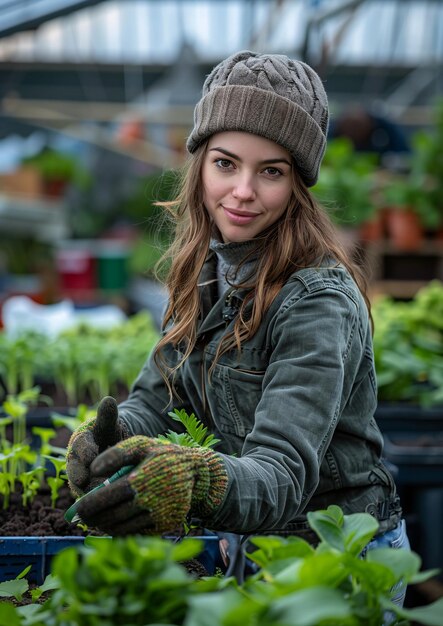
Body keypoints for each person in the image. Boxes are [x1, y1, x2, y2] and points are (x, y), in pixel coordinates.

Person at [66, 50, 410, 604]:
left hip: (337, 564)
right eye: (226, 163)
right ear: (200, 163)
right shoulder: (206, 268)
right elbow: (161, 398)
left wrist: (194, 478)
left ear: (297, 182)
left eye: (270, 171)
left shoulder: (318, 301)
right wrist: (113, 434)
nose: (243, 191)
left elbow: (281, 474)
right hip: (256, 548)